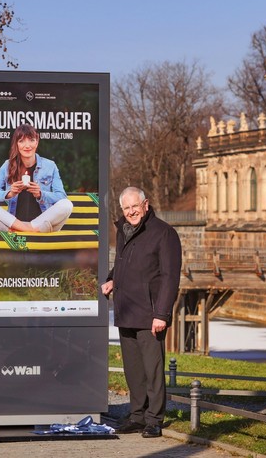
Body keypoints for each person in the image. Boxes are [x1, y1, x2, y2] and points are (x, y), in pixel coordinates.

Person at [101, 187, 182, 438]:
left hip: (150, 314)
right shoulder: (124, 230)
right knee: (133, 370)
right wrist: (112, 279)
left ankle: (154, 419)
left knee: (153, 370)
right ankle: (137, 415)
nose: (131, 212)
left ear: (145, 204)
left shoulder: (164, 233)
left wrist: (162, 314)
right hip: (126, 309)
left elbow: (170, 277)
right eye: (126, 208)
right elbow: (123, 261)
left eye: (135, 206)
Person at [0, 123, 73, 233]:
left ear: (37, 142)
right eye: (21, 141)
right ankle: (26, 230)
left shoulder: (50, 166)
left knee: (67, 205)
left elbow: (61, 196)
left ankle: (24, 230)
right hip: (15, 223)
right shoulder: (7, 165)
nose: (27, 146)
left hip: (40, 225)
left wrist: (41, 194)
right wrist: (10, 193)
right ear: (16, 144)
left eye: (31, 140)